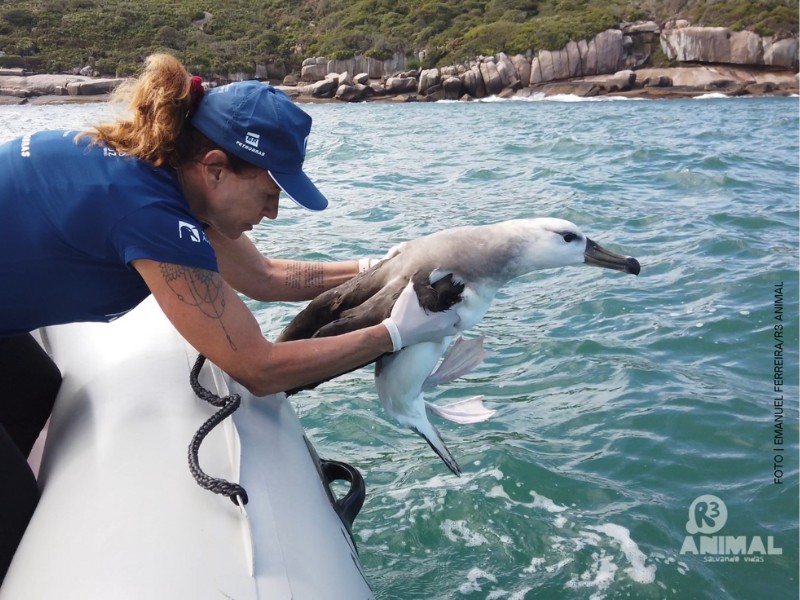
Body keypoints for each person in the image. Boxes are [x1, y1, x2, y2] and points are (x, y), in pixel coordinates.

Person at [0, 53, 459, 583]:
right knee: (10, 510)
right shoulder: (148, 213)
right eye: (269, 193)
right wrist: (394, 334)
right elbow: (257, 368)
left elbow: (265, 277)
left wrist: (383, 267)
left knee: (35, 391)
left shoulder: (167, 170)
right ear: (216, 167)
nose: (273, 212)